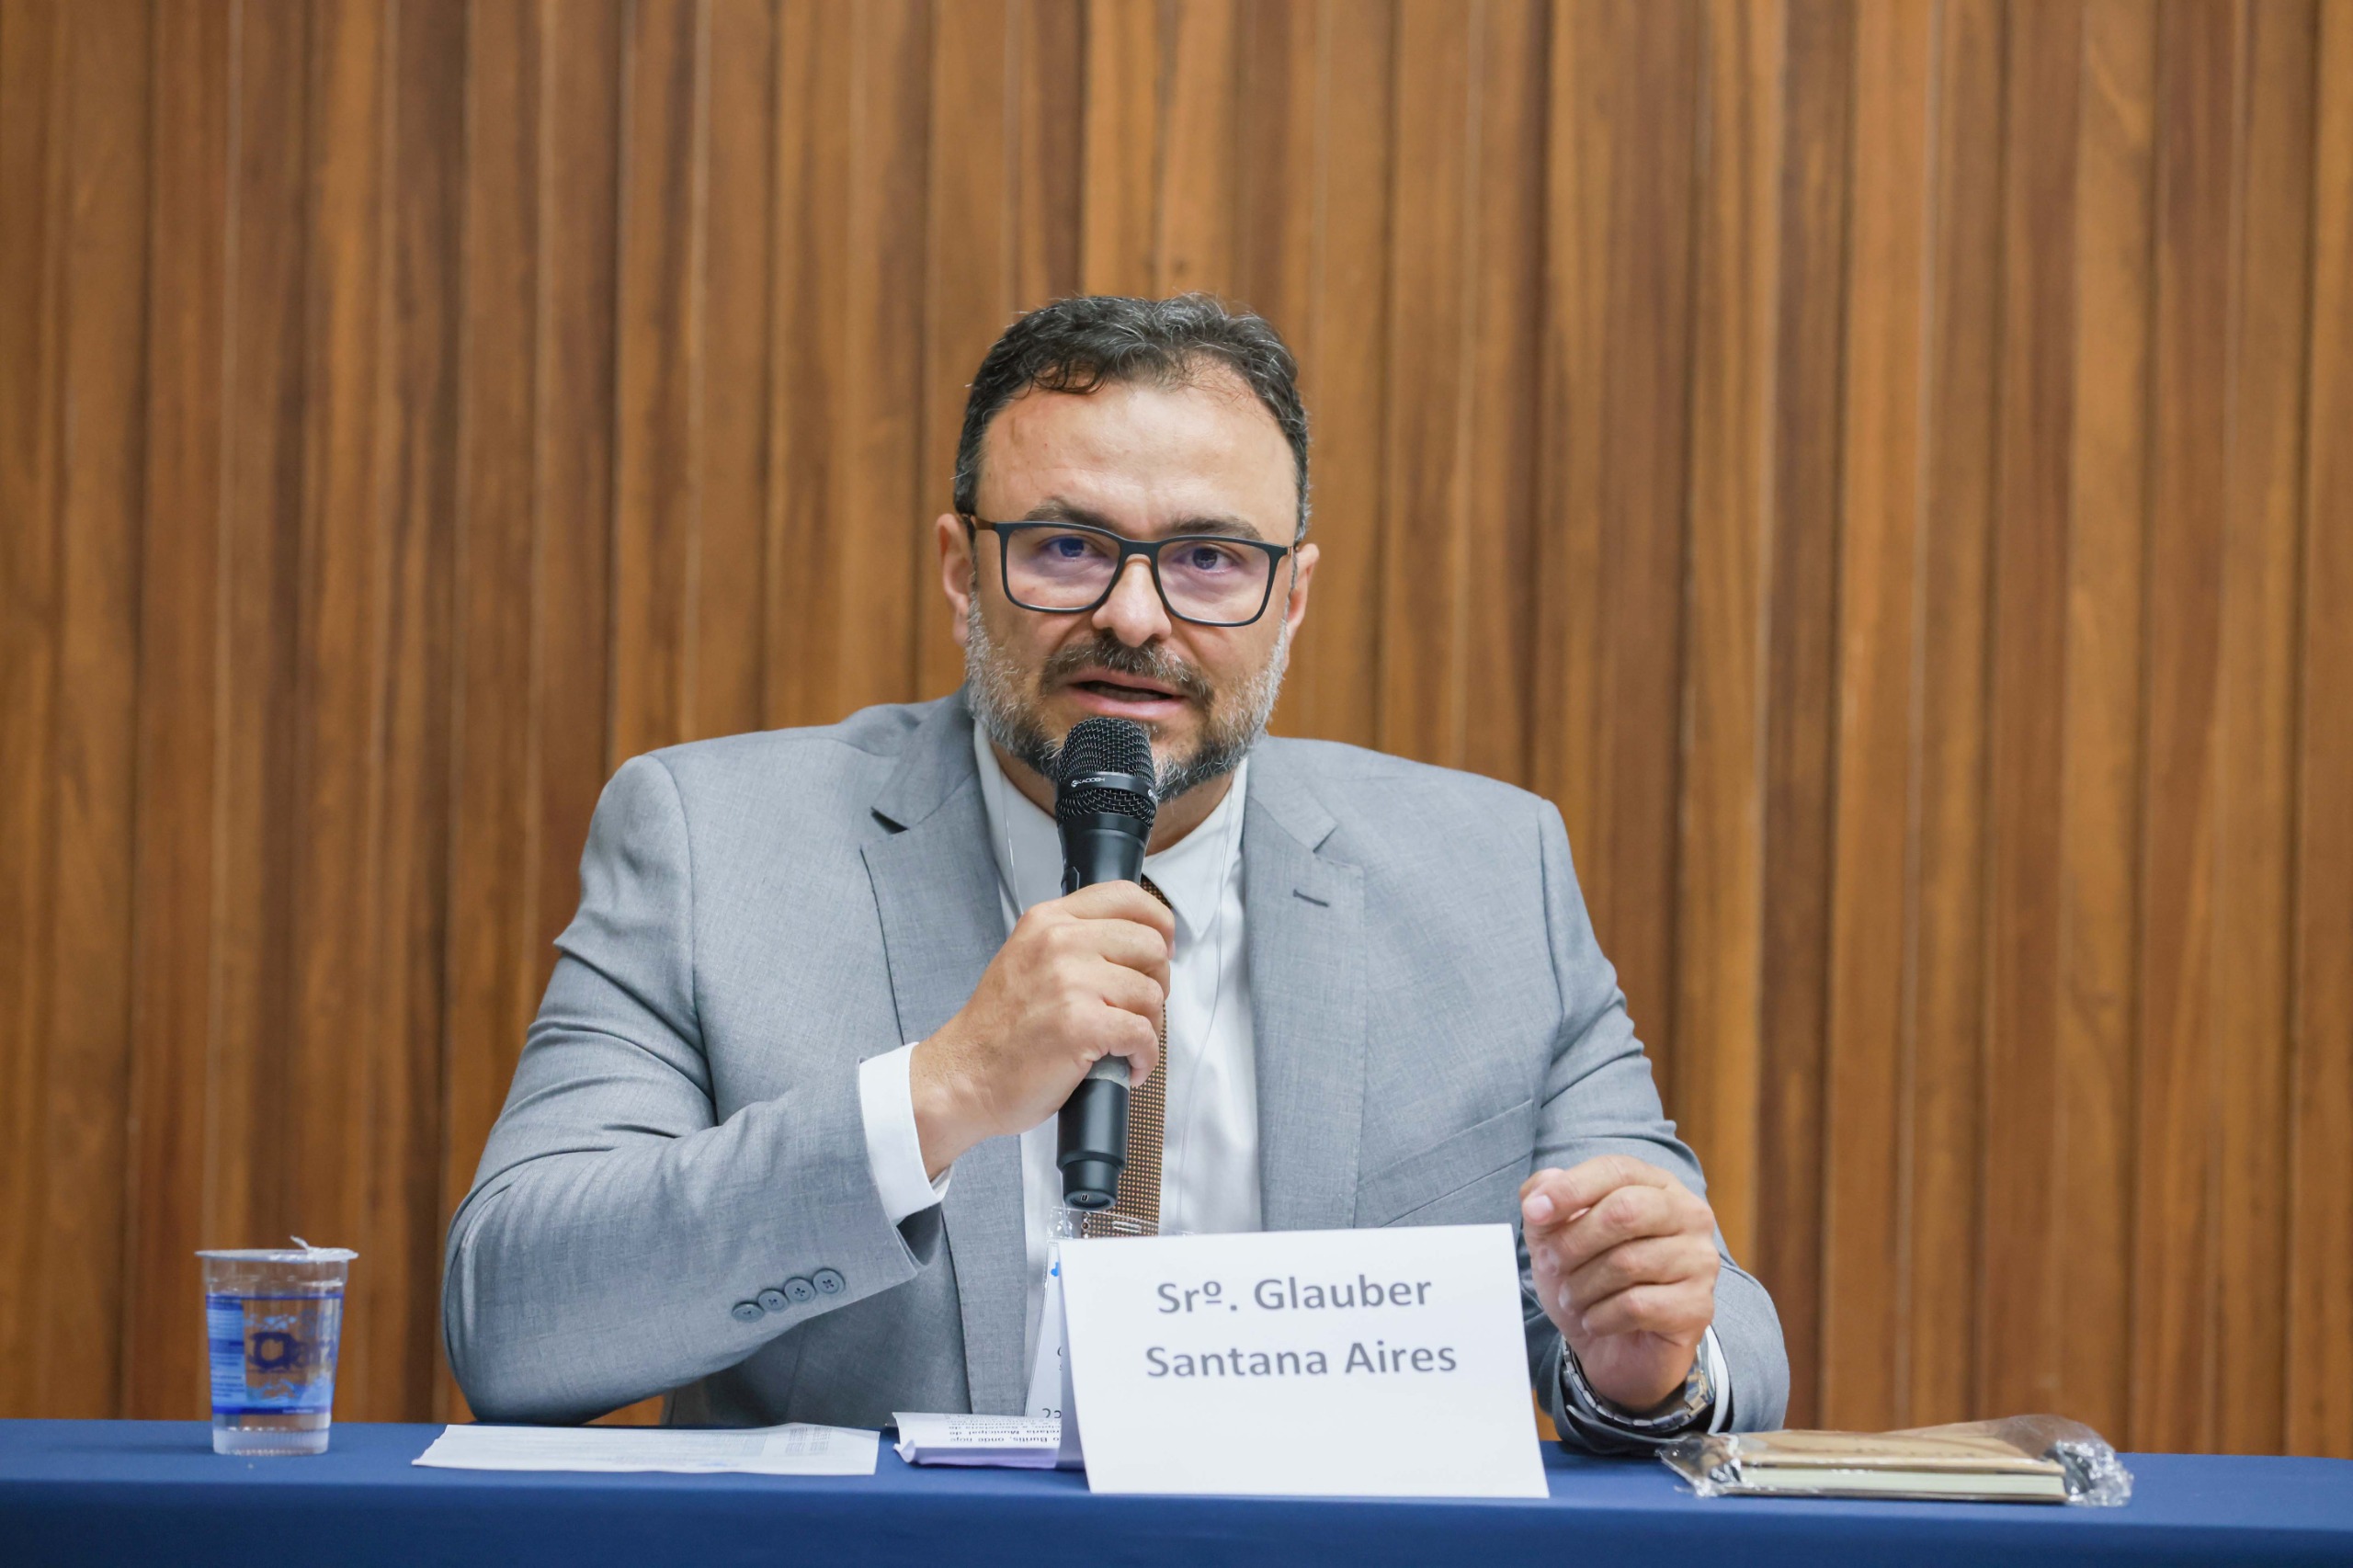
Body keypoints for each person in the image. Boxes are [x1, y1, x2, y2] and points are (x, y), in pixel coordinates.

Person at [443, 294, 1788, 1451]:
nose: (1135, 616)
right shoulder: (713, 844)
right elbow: (514, 1319)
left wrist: (1646, 1368)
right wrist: (938, 1093)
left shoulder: (1495, 874)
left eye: (1210, 558)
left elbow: (1713, 1316)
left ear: (1293, 599)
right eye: (1069, 546)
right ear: (963, 573)